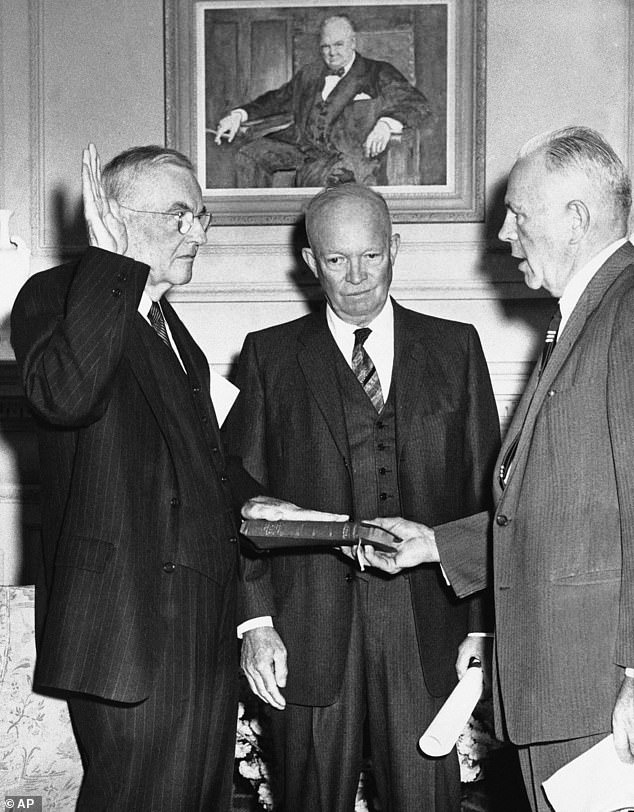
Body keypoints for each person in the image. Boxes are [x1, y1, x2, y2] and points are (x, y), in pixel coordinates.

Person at [361, 126, 634, 811]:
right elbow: (560, 506)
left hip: (598, 694)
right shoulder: (588, 316)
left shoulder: (626, 314)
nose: (505, 233)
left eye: (520, 212)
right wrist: (436, 544)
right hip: (563, 690)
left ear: (575, 219)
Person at [223, 183, 500, 811]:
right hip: (308, 629)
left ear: (395, 248)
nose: (355, 277)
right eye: (337, 260)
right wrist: (256, 623)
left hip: (429, 626)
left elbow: (490, 503)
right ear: (311, 261)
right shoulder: (270, 354)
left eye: (371, 257)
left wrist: (481, 629)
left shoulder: (457, 349)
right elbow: (241, 501)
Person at [10, 143, 268, 811]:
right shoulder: (56, 294)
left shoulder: (183, 340)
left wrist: (276, 505)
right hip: (127, 628)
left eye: (202, 217)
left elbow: (206, 471)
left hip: (200, 628)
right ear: (115, 216)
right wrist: (108, 262)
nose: (198, 233)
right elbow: (66, 395)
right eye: (180, 215)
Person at [213, 14, 431, 188]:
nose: (332, 53)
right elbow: (277, 100)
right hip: (300, 145)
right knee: (248, 156)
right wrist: (238, 115)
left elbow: (417, 104)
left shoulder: (377, 72)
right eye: (325, 46)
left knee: (320, 181)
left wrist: (385, 124)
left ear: (352, 43)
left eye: (338, 45)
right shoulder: (310, 73)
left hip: (346, 153)